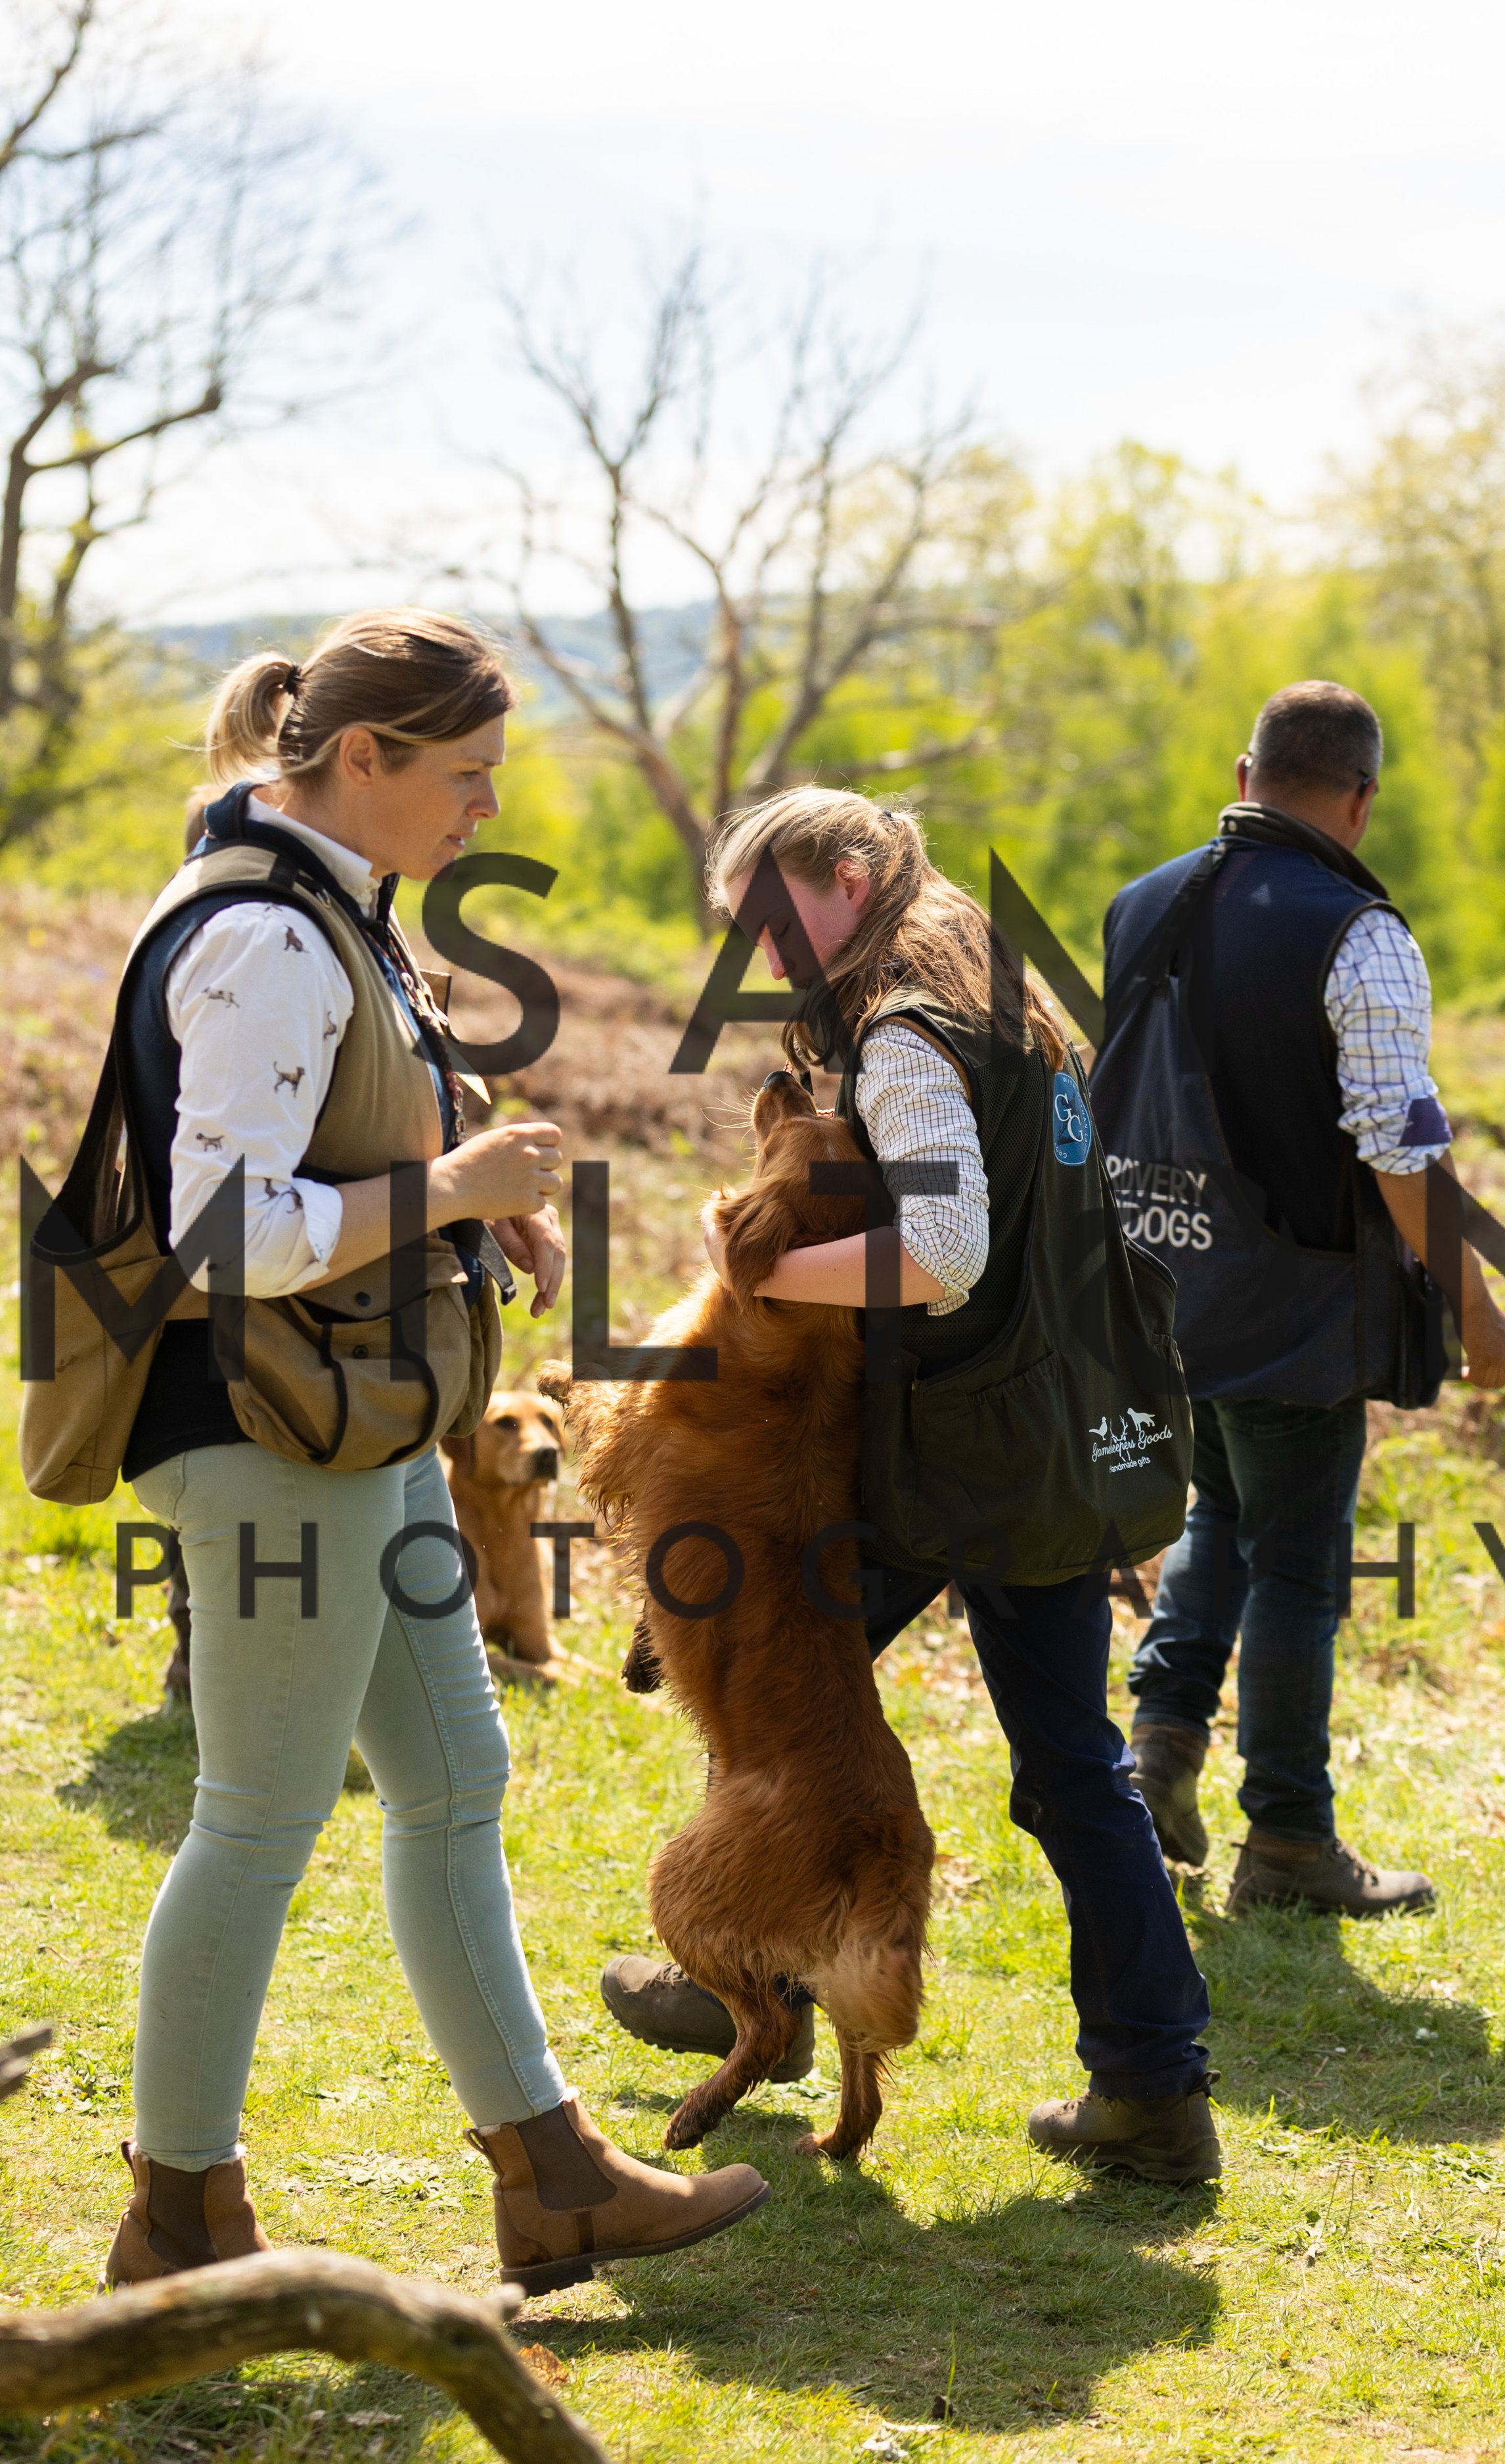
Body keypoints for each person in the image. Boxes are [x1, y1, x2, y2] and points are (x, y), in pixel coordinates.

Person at [70, 612, 768, 2286]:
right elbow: (224, 1227)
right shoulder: (268, 938)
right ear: (360, 760)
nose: (481, 812)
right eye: (461, 779)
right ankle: (177, 2226)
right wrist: (447, 1197)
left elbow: (331, 1145)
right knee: (254, 1816)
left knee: (455, 1777)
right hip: (261, 1436)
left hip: (346, 1426)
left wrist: (459, 1230)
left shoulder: (329, 913)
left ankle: (550, 2176)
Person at [601, 790, 1221, 2185]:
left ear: (853, 872)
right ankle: (1150, 2088)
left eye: (771, 921)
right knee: (1041, 1759)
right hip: (1039, 1430)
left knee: (781, 1689)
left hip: (954, 1453)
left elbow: (940, 1249)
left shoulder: (902, 1029)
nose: (759, 960)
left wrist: (751, 1275)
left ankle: (749, 1984)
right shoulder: (990, 984)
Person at [1093, 681, 1505, 1918]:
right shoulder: (1359, 934)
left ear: (1244, 775)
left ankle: (1158, 1753)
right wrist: (1475, 1311)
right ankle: (1285, 1838)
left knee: (1223, 1509)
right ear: (1363, 801)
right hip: (1288, 1309)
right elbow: (1396, 1148)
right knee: (1298, 1566)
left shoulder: (1141, 902)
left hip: (1159, 1283)